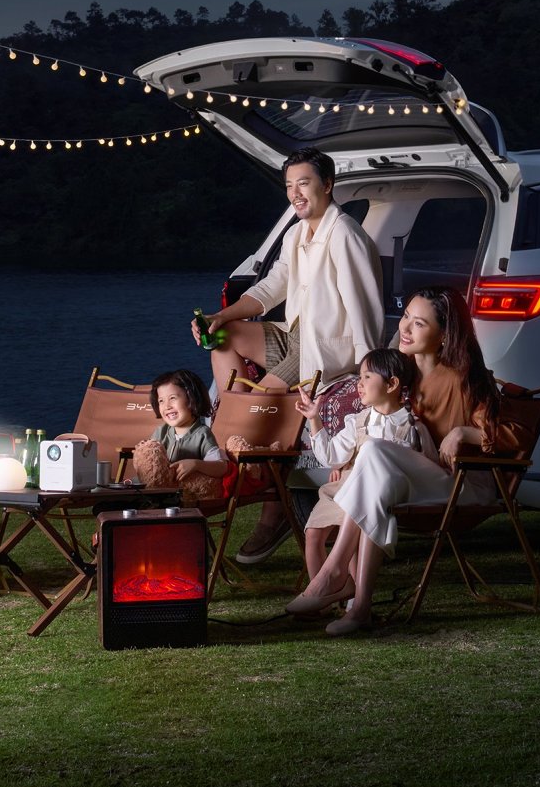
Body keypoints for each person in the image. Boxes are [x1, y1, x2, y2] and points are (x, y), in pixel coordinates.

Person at [285, 286, 524, 636]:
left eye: (419, 323)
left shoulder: (467, 378)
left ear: (444, 335)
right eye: (406, 318)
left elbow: (518, 435)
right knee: (375, 479)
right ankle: (360, 609)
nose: (406, 329)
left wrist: (465, 433)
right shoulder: (399, 373)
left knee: (374, 452)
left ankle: (335, 573)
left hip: (461, 485)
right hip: (411, 482)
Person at [193, 147, 382, 562]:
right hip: (295, 337)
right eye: (289, 185)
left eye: (305, 183)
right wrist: (218, 316)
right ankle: (231, 430)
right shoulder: (297, 234)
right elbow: (268, 289)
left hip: (328, 350)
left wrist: (370, 375)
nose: (296, 193)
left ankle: (263, 495)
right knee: (224, 336)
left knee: (260, 400)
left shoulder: (346, 236)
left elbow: (365, 309)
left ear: (328, 185)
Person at [297, 348, 431, 582]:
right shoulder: (358, 421)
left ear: (392, 384)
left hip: (378, 494)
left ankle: (354, 598)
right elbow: (332, 456)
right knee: (313, 534)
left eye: (367, 377)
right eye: (359, 377)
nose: (359, 384)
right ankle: (319, 597)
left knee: (356, 539)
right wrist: (314, 419)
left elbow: (427, 464)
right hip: (343, 488)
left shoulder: (412, 427)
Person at [129, 369, 229, 505]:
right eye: (161, 401)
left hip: (185, 495)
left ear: (192, 397)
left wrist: (196, 464)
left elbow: (221, 467)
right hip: (159, 489)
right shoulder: (161, 432)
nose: (167, 406)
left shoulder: (202, 434)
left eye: (172, 398)